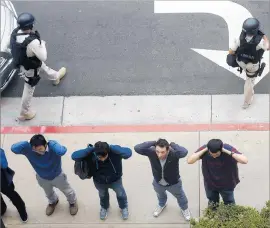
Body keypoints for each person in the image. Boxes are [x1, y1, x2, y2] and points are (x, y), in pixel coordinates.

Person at [10, 12, 66, 121]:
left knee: (41, 66)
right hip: (30, 68)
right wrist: (43, 44)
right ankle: (24, 112)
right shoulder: (33, 42)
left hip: (22, 61)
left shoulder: (15, 33)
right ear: (31, 25)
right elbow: (43, 57)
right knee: (29, 87)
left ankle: (55, 76)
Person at [10, 134, 78, 216]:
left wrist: (51, 143)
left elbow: (62, 151)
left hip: (57, 176)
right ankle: (53, 202)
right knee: (48, 192)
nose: (38, 151)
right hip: (41, 177)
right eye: (35, 150)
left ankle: (72, 202)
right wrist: (27, 142)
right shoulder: (29, 148)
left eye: (40, 149)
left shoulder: (53, 148)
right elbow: (13, 148)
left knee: (68, 191)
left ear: (46, 145)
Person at [71, 141, 132, 220]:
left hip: (115, 180)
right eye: (99, 157)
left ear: (107, 152)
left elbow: (128, 153)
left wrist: (111, 147)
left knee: (121, 194)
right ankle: (104, 207)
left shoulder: (114, 152)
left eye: (104, 157)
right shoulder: (92, 153)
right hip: (99, 181)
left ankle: (123, 207)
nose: (102, 159)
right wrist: (91, 149)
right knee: (103, 195)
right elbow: (74, 156)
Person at [134, 139, 191, 221]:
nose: (159, 154)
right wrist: (153, 143)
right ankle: (161, 205)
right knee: (160, 196)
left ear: (168, 150)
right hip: (158, 182)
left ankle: (185, 209)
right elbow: (137, 148)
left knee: (181, 197)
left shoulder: (174, 154)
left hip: (173, 183)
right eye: (157, 151)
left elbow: (184, 152)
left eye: (162, 152)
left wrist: (173, 144)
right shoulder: (152, 152)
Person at [187, 139, 248, 209]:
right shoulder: (205, 150)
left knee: (229, 203)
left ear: (221, 149)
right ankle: (213, 214)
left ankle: (230, 217)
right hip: (210, 183)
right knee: (212, 203)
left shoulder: (228, 148)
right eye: (211, 154)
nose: (214, 156)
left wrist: (228, 152)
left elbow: (244, 160)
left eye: (217, 154)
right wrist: (205, 149)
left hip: (227, 184)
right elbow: (190, 161)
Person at [227, 17, 269, 109]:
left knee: (242, 64)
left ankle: (243, 68)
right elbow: (268, 47)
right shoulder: (260, 42)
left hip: (240, 61)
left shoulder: (240, 38)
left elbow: (231, 52)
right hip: (252, 66)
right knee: (249, 83)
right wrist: (264, 36)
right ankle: (246, 103)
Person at [1, 148, 28, 222]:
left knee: (12, 194)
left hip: (2, 181)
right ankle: (2, 208)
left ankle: (22, 209)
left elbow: (4, 165)